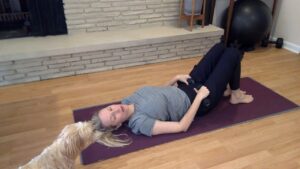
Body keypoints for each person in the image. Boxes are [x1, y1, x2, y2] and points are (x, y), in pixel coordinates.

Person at [91, 42, 253, 138]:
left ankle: (229, 91)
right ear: (117, 126)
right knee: (233, 53)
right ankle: (235, 94)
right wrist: (200, 97)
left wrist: (175, 78)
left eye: (110, 108)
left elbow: (157, 93)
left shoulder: (127, 100)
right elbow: (181, 127)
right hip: (199, 100)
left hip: (186, 85)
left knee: (220, 47)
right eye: (114, 117)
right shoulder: (139, 122)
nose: (116, 110)